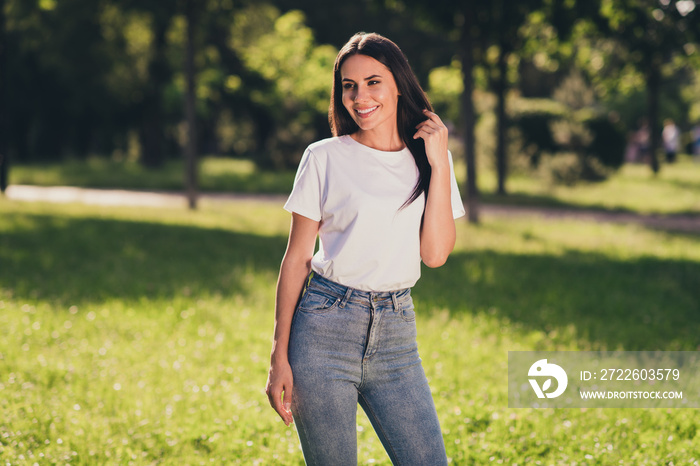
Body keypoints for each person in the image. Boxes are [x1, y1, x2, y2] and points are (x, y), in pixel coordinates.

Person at [265, 32, 465, 465]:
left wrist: (436, 161)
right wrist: (278, 355)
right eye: (349, 85)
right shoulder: (324, 157)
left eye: (373, 82)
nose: (360, 96)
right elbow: (296, 259)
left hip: (396, 336)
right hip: (323, 331)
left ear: (398, 84)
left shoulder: (432, 160)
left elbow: (434, 254)